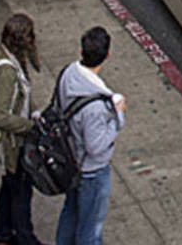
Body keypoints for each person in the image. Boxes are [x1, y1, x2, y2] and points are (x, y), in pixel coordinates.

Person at [55, 26, 125, 245]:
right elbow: (96, 146)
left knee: (71, 213)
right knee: (91, 229)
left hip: (71, 160)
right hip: (91, 172)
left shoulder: (68, 73)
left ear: (81, 51)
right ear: (107, 55)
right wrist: (118, 117)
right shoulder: (95, 105)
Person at [0, 14, 43, 245]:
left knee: (10, 187)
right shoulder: (7, 71)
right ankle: (25, 238)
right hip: (14, 144)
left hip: (14, 141)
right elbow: (0, 115)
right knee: (21, 193)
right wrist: (29, 126)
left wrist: (33, 111)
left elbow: (23, 94)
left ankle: (3, 232)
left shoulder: (6, 58)